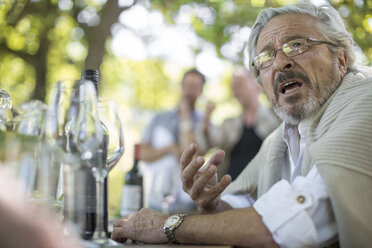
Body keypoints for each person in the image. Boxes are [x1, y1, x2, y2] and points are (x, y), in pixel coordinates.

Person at [111, 3, 372, 247]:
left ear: (341, 59)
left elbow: (296, 223)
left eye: (297, 45)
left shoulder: (365, 101)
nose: (281, 63)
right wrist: (212, 204)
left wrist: (167, 226)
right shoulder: (282, 136)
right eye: (266, 58)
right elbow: (245, 203)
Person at [138, 68, 205, 213]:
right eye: (187, 85)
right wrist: (170, 148)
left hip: (189, 207)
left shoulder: (204, 124)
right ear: (181, 87)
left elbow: (194, 160)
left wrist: (186, 118)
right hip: (156, 202)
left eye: (194, 87)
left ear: (201, 91)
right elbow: (141, 154)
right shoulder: (159, 119)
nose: (189, 91)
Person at [196, 66, 280, 181]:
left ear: (257, 85)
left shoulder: (275, 115)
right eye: (234, 87)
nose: (236, 90)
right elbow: (208, 143)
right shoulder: (229, 124)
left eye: (240, 84)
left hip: (265, 185)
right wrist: (206, 119)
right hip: (231, 188)